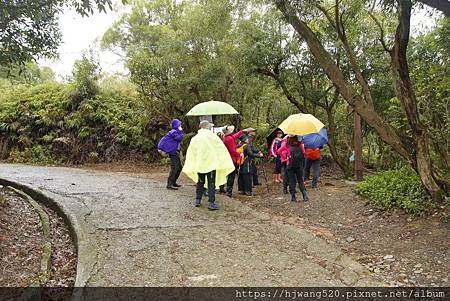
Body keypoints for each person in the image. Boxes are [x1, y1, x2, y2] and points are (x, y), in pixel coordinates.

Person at [182, 120, 235, 210]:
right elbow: (219, 148)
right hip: (211, 164)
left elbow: (192, 152)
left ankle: (197, 201)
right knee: (211, 183)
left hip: (200, 164)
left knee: (200, 182)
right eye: (210, 126)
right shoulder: (212, 137)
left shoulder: (195, 138)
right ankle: (211, 203)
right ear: (207, 127)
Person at [222, 125, 253, 197]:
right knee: (231, 176)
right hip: (232, 159)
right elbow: (232, 150)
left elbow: (235, 136)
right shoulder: (229, 139)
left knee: (232, 175)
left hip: (230, 158)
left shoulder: (228, 137)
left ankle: (228, 190)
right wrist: (239, 154)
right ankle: (229, 192)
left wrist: (243, 131)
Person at [278, 135, 309, 202]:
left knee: (292, 180)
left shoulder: (286, 145)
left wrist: (285, 158)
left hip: (290, 165)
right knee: (300, 180)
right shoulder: (300, 144)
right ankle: (305, 195)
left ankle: (293, 197)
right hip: (299, 165)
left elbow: (279, 151)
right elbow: (304, 153)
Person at [157, 119, 184, 190]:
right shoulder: (173, 132)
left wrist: (180, 131)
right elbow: (179, 138)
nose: (180, 126)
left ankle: (173, 182)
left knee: (179, 167)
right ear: (176, 125)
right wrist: (181, 131)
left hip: (175, 151)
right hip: (172, 152)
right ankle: (169, 184)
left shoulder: (175, 131)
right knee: (175, 168)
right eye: (179, 125)